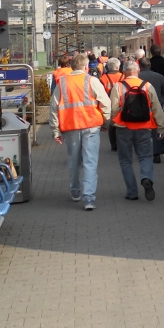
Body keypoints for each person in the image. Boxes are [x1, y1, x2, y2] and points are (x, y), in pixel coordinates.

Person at [50, 52, 111, 210]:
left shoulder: (62, 83)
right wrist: (106, 122)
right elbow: (106, 103)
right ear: (85, 67)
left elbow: (54, 108)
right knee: (90, 162)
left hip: (70, 127)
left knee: (74, 161)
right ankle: (89, 198)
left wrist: (56, 130)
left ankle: (75, 191)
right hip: (91, 126)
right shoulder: (92, 81)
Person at [111, 60, 164, 201]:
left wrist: (111, 122)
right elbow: (156, 108)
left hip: (124, 128)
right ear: (138, 71)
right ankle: (146, 178)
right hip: (144, 127)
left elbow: (114, 109)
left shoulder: (118, 86)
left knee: (125, 160)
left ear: (124, 72)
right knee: (145, 156)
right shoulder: (147, 86)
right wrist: (161, 127)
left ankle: (132, 192)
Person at [138, 57, 164, 163]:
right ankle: (157, 153)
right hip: (157, 107)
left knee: (142, 131)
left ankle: (144, 152)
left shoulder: (137, 77)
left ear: (140, 66)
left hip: (141, 108)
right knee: (157, 130)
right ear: (150, 65)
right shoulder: (159, 77)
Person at [100, 58, 125, 151]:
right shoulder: (123, 76)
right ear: (118, 67)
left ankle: (114, 145)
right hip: (122, 103)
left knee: (112, 124)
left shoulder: (103, 78)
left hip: (109, 103)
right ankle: (123, 143)